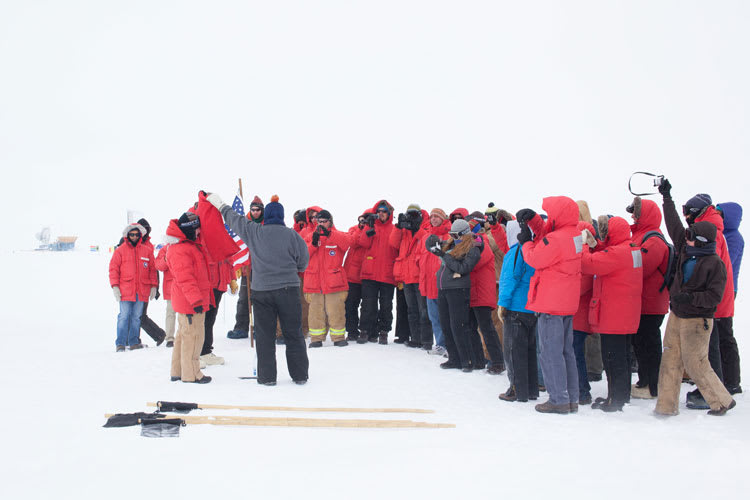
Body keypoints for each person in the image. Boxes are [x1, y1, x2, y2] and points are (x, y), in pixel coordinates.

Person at [209, 193, 310, 386]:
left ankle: (267, 378)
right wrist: (294, 270)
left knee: (264, 336)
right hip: (288, 290)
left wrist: (221, 205)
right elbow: (303, 261)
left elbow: (234, 220)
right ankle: (299, 375)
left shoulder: (254, 231)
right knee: (293, 333)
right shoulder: (292, 235)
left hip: (261, 291)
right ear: (281, 216)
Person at [654, 179, 735, 416]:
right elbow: (673, 225)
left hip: (698, 320)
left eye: (691, 236)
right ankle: (666, 406)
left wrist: (689, 299)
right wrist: (667, 198)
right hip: (677, 315)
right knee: (670, 358)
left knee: (696, 363)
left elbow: (714, 296)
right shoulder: (686, 249)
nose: (685, 237)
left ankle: (721, 401)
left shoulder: (715, 264)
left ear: (701, 241)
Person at [517, 197, 583, 414]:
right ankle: (571, 397)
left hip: (551, 304)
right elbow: (550, 233)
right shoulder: (572, 235)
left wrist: (526, 241)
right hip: (566, 303)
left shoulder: (556, 240)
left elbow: (535, 258)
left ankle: (557, 399)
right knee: (566, 352)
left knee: (550, 353)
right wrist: (534, 221)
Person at [581, 216, 643, 412]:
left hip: (613, 315)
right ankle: (620, 396)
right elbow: (609, 256)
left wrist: (583, 245)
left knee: (612, 358)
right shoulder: (631, 249)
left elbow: (589, 264)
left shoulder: (618, 253)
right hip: (625, 314)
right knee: (622, 358)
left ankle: (615, 400)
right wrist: (597, 244)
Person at [679, 193, 735, 408]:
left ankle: (713, 391)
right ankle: (713, 388)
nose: (686, 216)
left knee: (710, 347)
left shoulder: (708, 232)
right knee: (711, 345)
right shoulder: (711, 228)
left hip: (711, 300)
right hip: (716, 297)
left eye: (687, 212)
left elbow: (709, 268)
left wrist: (694, 295)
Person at [627, 197, 671, 400]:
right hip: (645, 301)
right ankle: (645, 381)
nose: (633, 215)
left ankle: (652, 385)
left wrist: (624, 257)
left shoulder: (653, 240)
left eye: (636, 212)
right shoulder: (642, 236)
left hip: (651, 303)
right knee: (641, 342)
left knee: (648, 344)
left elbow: (641, 267)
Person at [425, 219, 483, 372]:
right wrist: (434, 245)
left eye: (456, 235)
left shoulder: (473, 248)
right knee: (446, 324)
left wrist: (444, 255)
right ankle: (454, 358)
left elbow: (463, 267)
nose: (453, 237)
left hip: (459, 289)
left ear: (464, 234)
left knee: (459, 325)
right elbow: (439, 248)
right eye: (452, 234)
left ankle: (467, 360)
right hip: (444, 288)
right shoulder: (451, 244)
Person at [165, 212, 212, 384]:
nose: (199, 232)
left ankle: (177, 371)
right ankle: (192, 374)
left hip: (186, 301)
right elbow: (186, 278)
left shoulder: (185, 246)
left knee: (183, 337)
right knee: (194, 337)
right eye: (197, 229)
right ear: (189, 231)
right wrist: (196, 301)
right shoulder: (181, 250)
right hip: (191, 302)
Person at [498, 221, 539, 402]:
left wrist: (503, 304)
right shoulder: (533, 250)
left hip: (515, 307)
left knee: (514, 351)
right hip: (532, 307)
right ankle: (531, 389)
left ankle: (516, 389)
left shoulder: (514, 252)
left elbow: (509, 280)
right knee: (529, 350)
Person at [303, 209, 351, 347]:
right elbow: (303, 255)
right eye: (319, 221)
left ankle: (338, 337)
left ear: (330, 221)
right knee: (315, 312)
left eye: (324, 221)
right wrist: (313, 243)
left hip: (334, 283)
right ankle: (316, 339)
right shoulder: (309, 236)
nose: (321, 224)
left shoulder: (337, 235)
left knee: (336, 311)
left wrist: (330, 234)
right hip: (314, 283)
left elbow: (347, 243)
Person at [109, 222, 157, 351]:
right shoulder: (120, 251)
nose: (134, 237)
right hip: (125, 291)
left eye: (137, 234)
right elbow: (113, 269)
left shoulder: (147, 251)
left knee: (137, 317)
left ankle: (134, 342)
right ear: (127, 235)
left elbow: (152, 270)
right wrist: (115, 286)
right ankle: (120, 343)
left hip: (141, 290)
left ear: (140, 235)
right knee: (124, 316)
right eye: (132, 234)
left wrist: (154, 286)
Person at [391, 204, 433, 349]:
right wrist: (398, 227)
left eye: (414, 215)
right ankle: (415, 338)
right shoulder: (404, 230)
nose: (411, 218)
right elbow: (393, 243)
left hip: (419, 276)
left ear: (420, 215)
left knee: (424, 310)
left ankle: (426, 340)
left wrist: (417, 228)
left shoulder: (426, 227)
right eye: (409, 215)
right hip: (406, 276)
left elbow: (428, 241)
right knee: (412, 310)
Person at [467, 212, 505, 373]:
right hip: (474, 291)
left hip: (483, 292)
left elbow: (474, 263)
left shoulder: (483, 242)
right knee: (473, 327)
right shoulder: (476, 242)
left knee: (487, 327)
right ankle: (479, 358)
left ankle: (496, 360)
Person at [357, 200, 398, 344]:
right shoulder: (370, 226)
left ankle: (383, 331)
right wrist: (368, 226)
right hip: (370, 273)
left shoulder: (394, 229)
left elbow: (396, 246)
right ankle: (365, 331)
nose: (381, 213)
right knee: (368, 304)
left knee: (386, 305)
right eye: (379, 211)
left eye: (384, 211)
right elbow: (363, 243)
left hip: (387, 273)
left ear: (389, 213)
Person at [227, 195, 264, 340]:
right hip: (246, 267)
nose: (255, 212)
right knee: (244, 298)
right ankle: (241, 327)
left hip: (261, 268)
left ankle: (259, 328)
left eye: (258, 210)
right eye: (253, 210)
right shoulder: (245, 223)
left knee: (260, 299)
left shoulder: (266, 225)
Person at [717, 202, 743, 394]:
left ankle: (732, 380)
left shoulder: (733, 238)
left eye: (721, 213)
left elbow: (726, 265)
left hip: (726, 290)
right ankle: (722, 375)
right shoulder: (725, 236)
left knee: (725, 333)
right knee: (717, 333)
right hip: (722, 288)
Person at [419, 208, 452, 356]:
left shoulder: (449, 236)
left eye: (437, 216)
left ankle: (449, 345)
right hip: (428, 284)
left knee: (446, 317)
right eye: (431, 216)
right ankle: (440, 344)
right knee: (434, 318)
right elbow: (419, 257)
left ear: (443, 218)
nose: (433, 219)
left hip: (443, 284)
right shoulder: (426, 236)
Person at [133, 218, 166, 346]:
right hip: (131, 286)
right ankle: (133, 340)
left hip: (145, 286)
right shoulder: (131, 243)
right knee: (133, 315)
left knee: (140, 316)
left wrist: (155, 287)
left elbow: (154, 268)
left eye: (146, 230)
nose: (143, 232)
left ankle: (159, 334)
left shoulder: (148, 246)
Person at [200, 256, 234, 365]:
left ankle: (205, 351)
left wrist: (232, 278)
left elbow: (229, 260)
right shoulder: (202, 240)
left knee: (210, 320)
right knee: (203, 321)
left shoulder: (223, 242)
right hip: (208, 286)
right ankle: (201, 352)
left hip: (219, 286)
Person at [343, 210, 370, 342]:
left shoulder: (374, 231)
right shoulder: (353, 229)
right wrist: (361, 228)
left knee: (367, 305)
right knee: (350, 305)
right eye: (363, 219)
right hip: (352, 274)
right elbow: (352, 242)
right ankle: (352, 331)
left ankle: (368, 330)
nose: (365, 222)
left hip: (367, 273)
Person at [155, 243, 176, 347]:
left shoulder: (186, 245)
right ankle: (170, 338)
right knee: (170, 313)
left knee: (185, 314)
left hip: (184, 286)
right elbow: (159, 266)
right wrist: (166, 258)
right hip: (171, 287)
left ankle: (184, 336)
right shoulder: (165, 249)